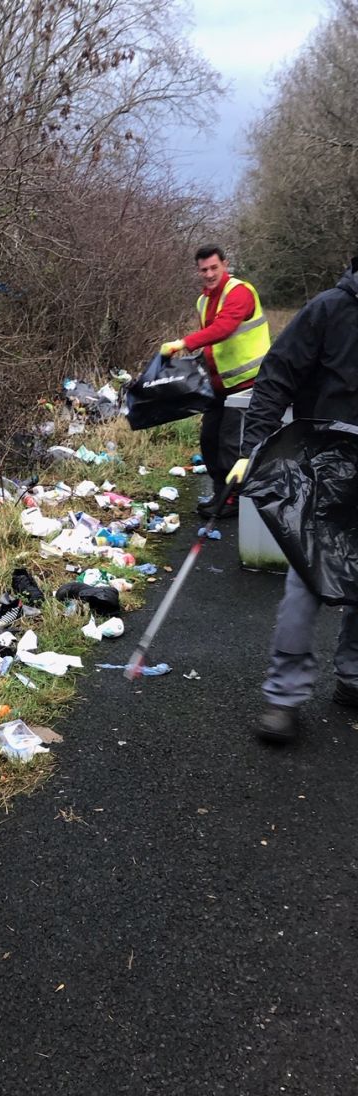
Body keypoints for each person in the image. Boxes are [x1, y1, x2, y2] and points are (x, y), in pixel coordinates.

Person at [226, 256, 358, 744]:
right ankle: (284, 697)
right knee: (309, 579)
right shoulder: (328, 310)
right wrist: (253, 448)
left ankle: (353, 677)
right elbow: (276, 377)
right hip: (326, 464)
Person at [161, 245, 270, 518]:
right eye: (204, 269)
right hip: (220, 385)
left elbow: (223, 328)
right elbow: (212, 344)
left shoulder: (239, 292)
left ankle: (232, 499)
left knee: (232, 443)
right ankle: (222, 492)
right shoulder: (203, 301)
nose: (209, 274)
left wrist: (183, 343)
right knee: (210, 440)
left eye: (214, 268)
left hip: (249, 383)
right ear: (198, 271)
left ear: (225, 264)